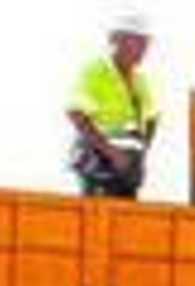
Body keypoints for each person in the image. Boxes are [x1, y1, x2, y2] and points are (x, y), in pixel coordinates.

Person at [67, 13, 160, 199]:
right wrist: (112, 152)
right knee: (99, 219)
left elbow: (152, 118)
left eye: (145, 43)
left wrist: (141, 152)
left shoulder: (139, 80)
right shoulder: (96, 71)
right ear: (117, 40)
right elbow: (76, 113)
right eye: (138, 42)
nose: (143, 49)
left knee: (123, 221)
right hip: (99, 166)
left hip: (127, 170)